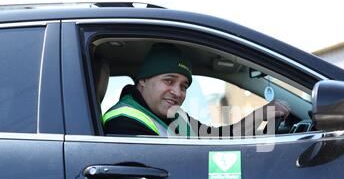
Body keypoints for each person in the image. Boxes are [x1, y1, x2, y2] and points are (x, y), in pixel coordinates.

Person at [103, 43, 289, 137]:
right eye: (169, 81)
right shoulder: (123, 121)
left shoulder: (172, 115)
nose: (177, 92)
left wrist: (260, 114)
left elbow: (217, 137)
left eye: (184, 86)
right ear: (142, 81)